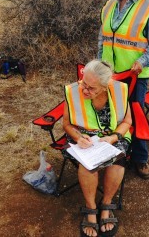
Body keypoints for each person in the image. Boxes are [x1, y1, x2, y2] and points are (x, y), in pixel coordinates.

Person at [98, 0, 149, 180]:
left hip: (136, 75)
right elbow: (103, 38)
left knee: (135, 115)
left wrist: (142, 61)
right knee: (114, 116)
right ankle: (117, 154)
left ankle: (141, 158)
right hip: (110, 74)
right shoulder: (109, 5)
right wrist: (100, 64)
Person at [63, 59, 132, 237]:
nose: (84, 90)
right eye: (84, 83)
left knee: (117, 163)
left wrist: (113, 137)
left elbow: (127, 122)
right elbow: (66, 124)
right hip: (84, 138)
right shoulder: (72, 91)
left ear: (104, 86)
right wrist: (78, 137)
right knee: (87, 165)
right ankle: (91, 208)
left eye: (91, 88)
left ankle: (106, 205)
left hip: (113, 135)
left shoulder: (119, 90)